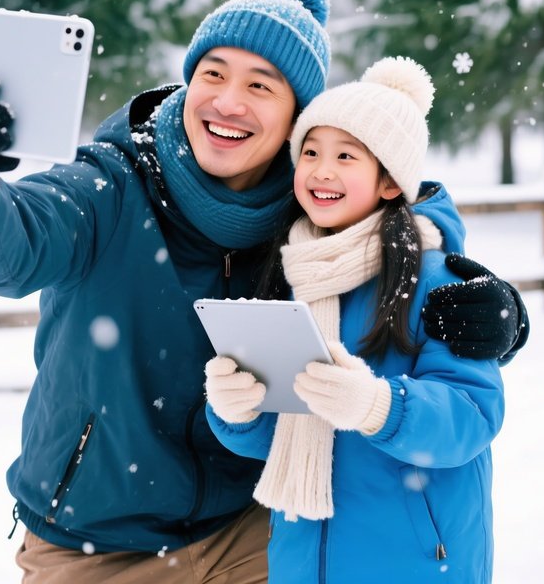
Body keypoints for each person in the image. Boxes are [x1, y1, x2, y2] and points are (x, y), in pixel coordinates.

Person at [0, 0, 526, 583]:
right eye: (213, 74)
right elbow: (6, 246)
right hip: (98, 544)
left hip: (255, 528)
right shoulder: (108, 187)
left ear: (295, 120)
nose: (228, 102)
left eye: (261, 85)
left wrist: (498, 311)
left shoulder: (308, 207)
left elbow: (399, 217)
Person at [204, 56, 505, 583]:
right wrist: (239, 413)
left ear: (389, 182)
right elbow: (288, 435)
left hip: (412, 563)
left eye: (347, 156)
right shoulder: (292, 271)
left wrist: (377, 406)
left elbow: (473, 416)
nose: (322, 170)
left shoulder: (434, 279)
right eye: (312, 152)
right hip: (303, 561)